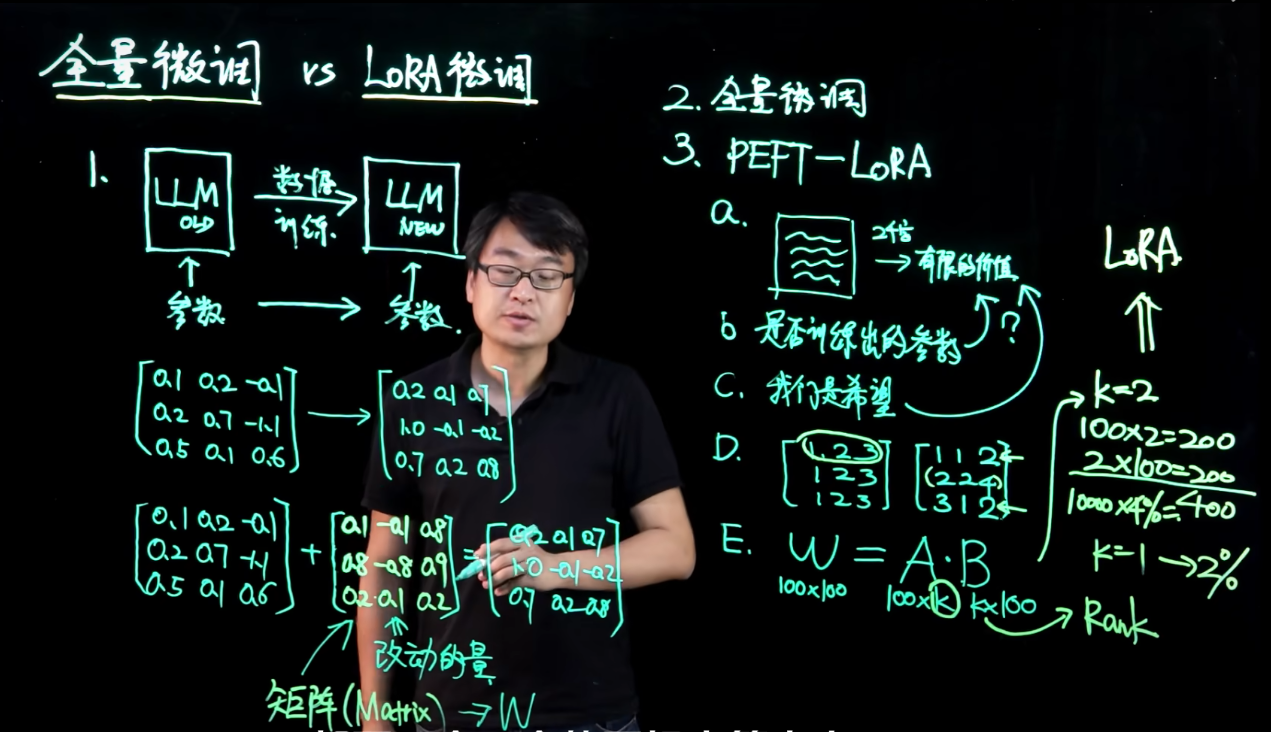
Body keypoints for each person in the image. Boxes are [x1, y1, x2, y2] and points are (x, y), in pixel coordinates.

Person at [358, 192, 696, 732]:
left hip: (591, 717)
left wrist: (556, 568)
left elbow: (676, 549)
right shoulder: (412, 402)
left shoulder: (616, 394)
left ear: (570, 299)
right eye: (504, 270)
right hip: (449, 713)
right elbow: (384, 568)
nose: (522, 291)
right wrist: (374, 718)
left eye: (546, 276)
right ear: (471, 283)